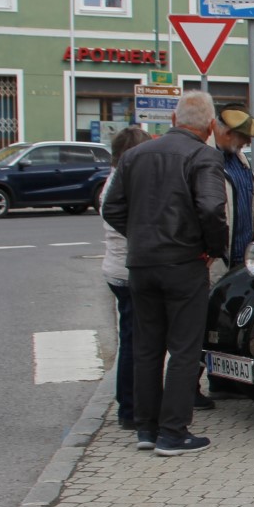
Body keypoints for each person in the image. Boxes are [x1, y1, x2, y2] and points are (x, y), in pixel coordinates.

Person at [102, 91, 228, 456]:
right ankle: (174, 432)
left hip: (141, 266)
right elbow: (211, 208)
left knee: (146, 347)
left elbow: (113, 207)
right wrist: (210, 249)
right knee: (185, 349)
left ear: (173, 120)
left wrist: (141, 237)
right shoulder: (204, 156)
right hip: (184, 263)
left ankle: (146, 427)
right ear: (209, 127)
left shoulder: (135, 155)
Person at [101, 127, 151, 430]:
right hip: (127, 271)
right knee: (134, 342)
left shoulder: (115, 180)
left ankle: (129, 404)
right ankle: (129, 409)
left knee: (131, 339)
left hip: (118, 269)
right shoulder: (121, 184)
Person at [211, 106, 254, 279]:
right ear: (227, 133)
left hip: (245, 261)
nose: (247, 142)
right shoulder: (207, 161)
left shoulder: (241, 161)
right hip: (221, 262)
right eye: (243, 136)